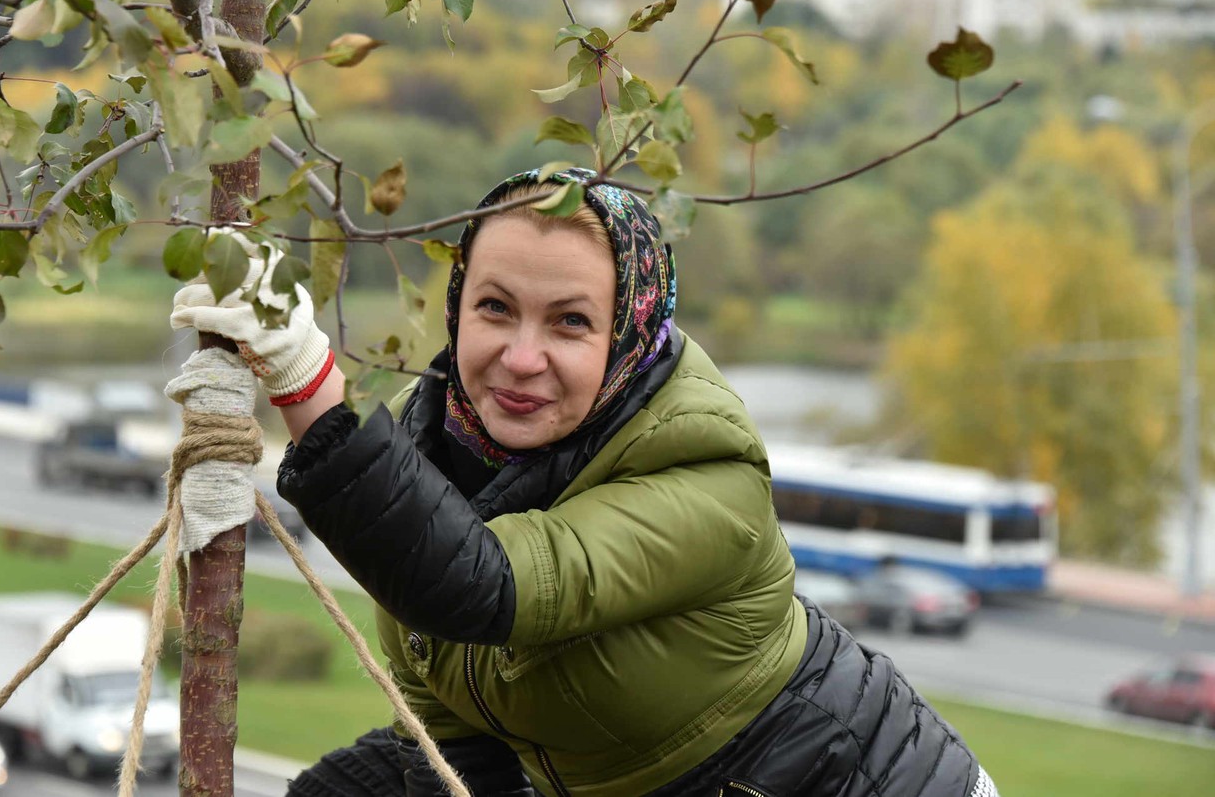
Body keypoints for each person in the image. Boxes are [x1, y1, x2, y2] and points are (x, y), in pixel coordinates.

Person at [171, 167, 998, 797]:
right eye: (495, 307)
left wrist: (303, 377)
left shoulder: (706, 466)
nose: (521, 357)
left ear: (629, 334)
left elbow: (482, 584)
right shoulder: (426, 460)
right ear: (457, 307)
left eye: (570, 321)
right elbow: (460, 756)